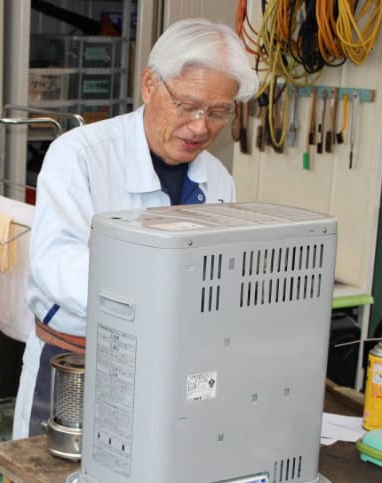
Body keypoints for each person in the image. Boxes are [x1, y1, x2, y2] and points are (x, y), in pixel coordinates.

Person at [13, 18, 259, 439]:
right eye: (188, 105)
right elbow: (57, 263)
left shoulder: (216, 179)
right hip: (76, 364)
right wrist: (152, 300)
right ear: (149, 85)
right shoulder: (80, 156)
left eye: (219, 113)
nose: (201, 127)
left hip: (174, 366)